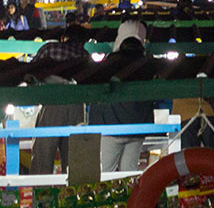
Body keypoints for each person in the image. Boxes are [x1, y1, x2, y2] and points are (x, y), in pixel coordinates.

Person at [90, 21, 158, 172]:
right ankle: (130, 196)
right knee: (129, 170)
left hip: (110, 126)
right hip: (138, 127)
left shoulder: (111, 60)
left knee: (107, 172)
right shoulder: (147, 63)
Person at [30, 24, 92, 174]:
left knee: (44, 154)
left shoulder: (49, 48)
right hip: (77, 106)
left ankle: (40, 192)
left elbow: (31, 72)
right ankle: (72, 193)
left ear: (64, 37)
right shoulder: (84, 55)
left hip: (52, 103)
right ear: (83, 41)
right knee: (73, 158)